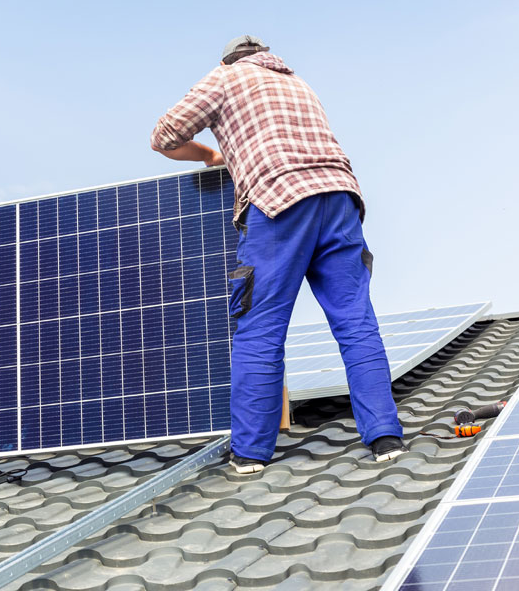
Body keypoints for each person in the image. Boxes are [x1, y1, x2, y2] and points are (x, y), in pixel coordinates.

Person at [149, 35, 405, 475]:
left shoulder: (225, 77)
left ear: (228, 59)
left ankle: (250, 452)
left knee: (260, 327)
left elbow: (164, 136)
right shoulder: (299, 83)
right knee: (356, 321)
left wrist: (212, 154)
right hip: (340, 198)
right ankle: (385, 436)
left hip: (278, 201)